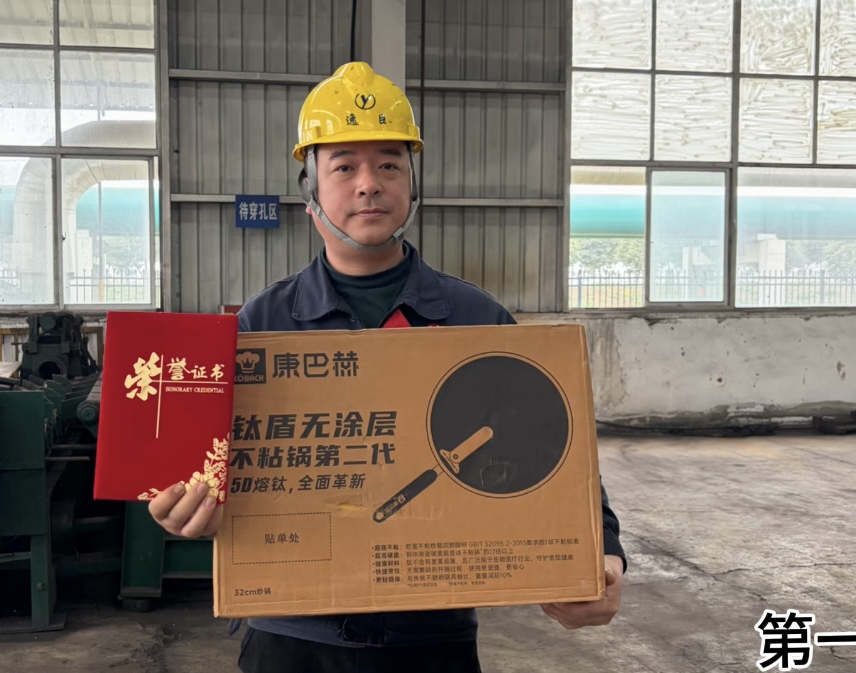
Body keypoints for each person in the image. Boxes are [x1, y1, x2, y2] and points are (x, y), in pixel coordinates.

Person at [148, 61, 627, 673]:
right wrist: (182, 504)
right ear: (309, 190)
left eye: (390, 165)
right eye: (344, 166)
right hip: (290, 638)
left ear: (412, 183)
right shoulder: (258, 327)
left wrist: (601, 552)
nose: (369, 184)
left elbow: (554, 447)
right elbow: (198, 468)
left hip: (430, 636)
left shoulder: (475, 319)